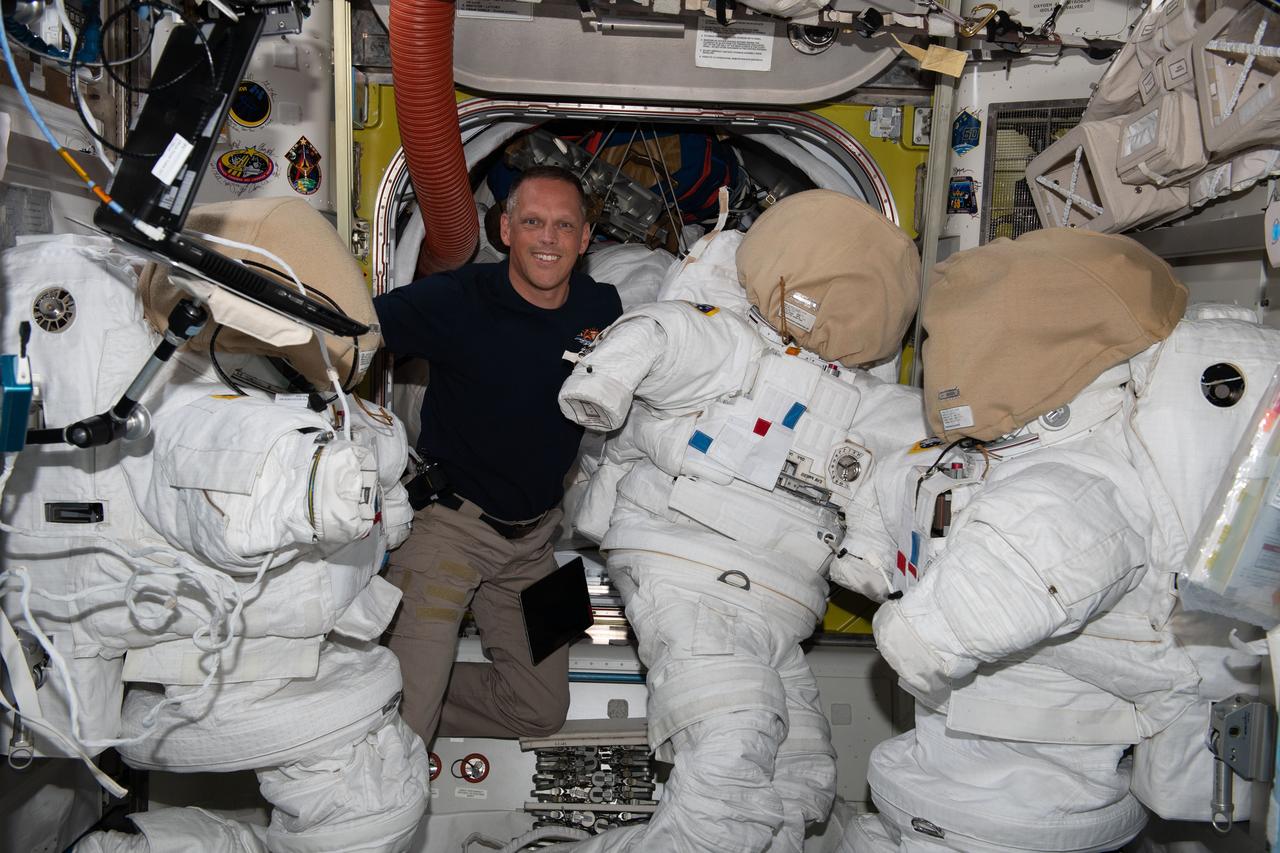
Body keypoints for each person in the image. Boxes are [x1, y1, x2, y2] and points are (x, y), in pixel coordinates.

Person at [374, 165, 623, 742]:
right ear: (505, 228)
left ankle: (385, 690)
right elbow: (354, 331)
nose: (548, 238)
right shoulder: (456, 299)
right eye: (533, 221)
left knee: (540, 711)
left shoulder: (602, 308)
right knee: (404, 731)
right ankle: (400, 701)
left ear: (585, 240)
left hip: (539, 544)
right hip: (448, 534)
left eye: (565, 225)